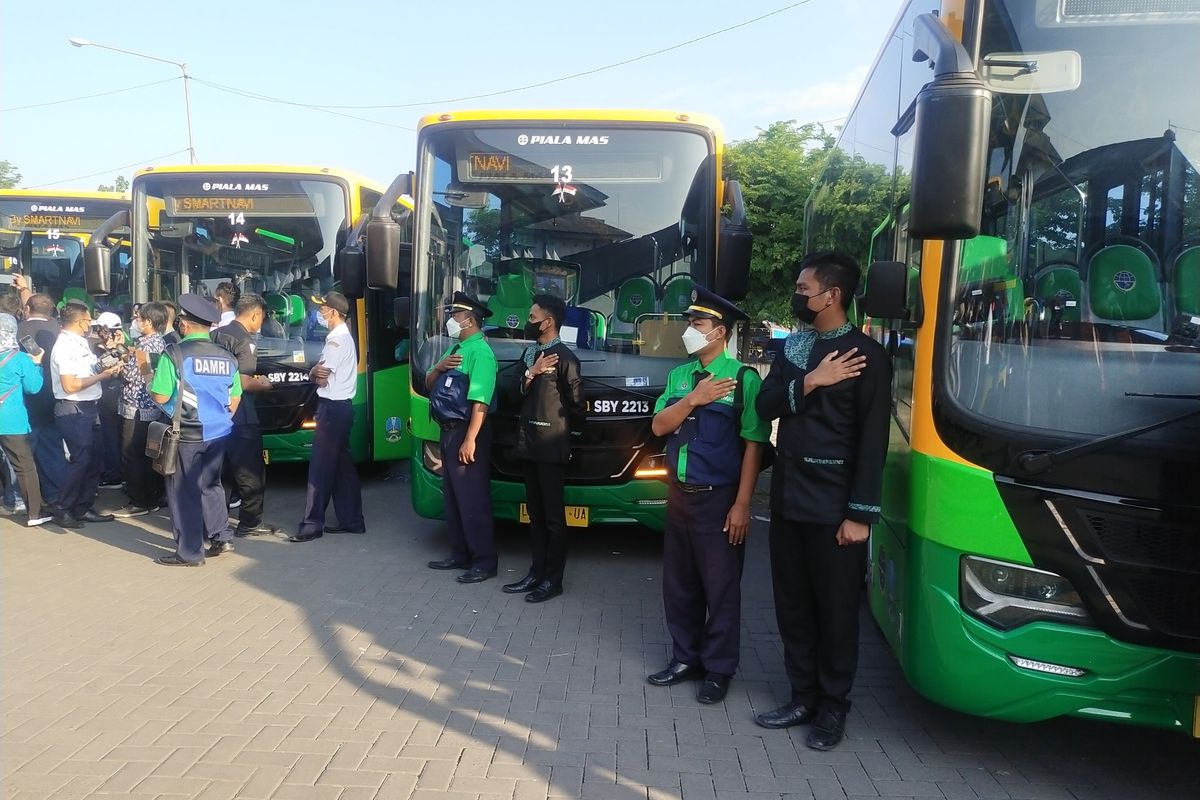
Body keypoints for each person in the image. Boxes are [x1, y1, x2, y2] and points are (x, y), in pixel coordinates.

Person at [752, 251, 889, 750]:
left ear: (832, 295)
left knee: (835, 612)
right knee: (793, 606)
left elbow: (873, 440)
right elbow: (764, 405)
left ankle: (833, 709)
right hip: (788, 499)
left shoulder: (867, 355)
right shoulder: (793, 348)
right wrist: (811, 381)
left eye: (803, 289)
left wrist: (861, 515)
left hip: (836, 509)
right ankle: (802, 697)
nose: (797, 296)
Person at [645, 286, 772, 705]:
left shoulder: (743, 379)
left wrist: (742, 505)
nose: (689, 330)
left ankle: (718, 669)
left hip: (719, 500)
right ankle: (685, 657)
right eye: (690, 323)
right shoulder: (680, 377)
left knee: (720, 588)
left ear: (719, 333)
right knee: (678, 585)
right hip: (680, 496)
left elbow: (754, 443)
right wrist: (694, 399)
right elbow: (660, 427)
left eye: (697, 324)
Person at [503, 293, 585, 603]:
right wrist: (532, 372)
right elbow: (513, 394)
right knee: (534, 515)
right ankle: (535, 573)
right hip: (528, 444)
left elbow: (577, 407)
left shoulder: (566, 358)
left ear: (548, 322)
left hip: (552, 447)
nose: (529, 322)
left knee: (553, 517)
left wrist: (569, 440)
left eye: (533, 317)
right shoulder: (529, 354)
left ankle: (553, 580)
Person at [148, 294, 242, 565]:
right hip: (220, 433)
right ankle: (221, 536)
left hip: (187, 434)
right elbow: (235, 395)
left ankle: (189, 553)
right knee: (211, 485)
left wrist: (150, 385)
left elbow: (161, 395)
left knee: (183, 490)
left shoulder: (175, 353)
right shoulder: (227, 357)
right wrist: (222, 419)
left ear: (185, 325)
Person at [425, 291, 499, 583]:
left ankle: (484, 561)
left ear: (469, 319)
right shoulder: (456, 349)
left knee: (473, 499)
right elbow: (430, 382)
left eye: (455, 315)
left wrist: (471, 440)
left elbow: (481, 400)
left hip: (468, 431)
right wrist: (439, 367)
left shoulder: (480, 352)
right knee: (454, 498)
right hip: (448, 433)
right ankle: (460, 554)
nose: (450, 320)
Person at [290, 291, 365, 542]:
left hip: (331, 409)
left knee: (320, 468)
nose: (319, 313)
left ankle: (312, 524)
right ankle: (353, 520)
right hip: (340, 408)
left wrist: (312, 372)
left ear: (333, 312)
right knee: (343, 468)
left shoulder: (336, 340)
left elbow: (322, 375)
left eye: (322, 309)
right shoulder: (343, 337)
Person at [211, 293, 279, 537]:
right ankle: (250, 523)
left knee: (223, 473)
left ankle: (217, 524)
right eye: (261, 317)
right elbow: (244, 381)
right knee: (250, 471)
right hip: (241, 415)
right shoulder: (245, 340)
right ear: (255, 314)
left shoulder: (215, 334)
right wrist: (265, 384)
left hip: (216, 414)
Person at [49, 302, 122, 528]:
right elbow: (70, 385)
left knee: (95, 460)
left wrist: (108, 365)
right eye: (90, 320)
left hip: (90, 406)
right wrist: (103, 376)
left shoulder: (82, 344)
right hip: (73, 407)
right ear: (81, 321)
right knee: (81, 460)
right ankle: (62, 508)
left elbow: (90, 371)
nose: (91, 324)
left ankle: (83, 506)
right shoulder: (64, 346)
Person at [113, 302, 168, 517]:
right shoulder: (160, 343)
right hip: (154, 408)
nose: (136, 321)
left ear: (149, 322)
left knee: (132, 454)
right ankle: (151, 496)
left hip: (136, 407)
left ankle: (139, 500)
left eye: (139, 318)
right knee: (149, 456)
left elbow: (134, 378)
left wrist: (119, 368)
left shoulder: (144, 347)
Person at [0, 313, 51, 526]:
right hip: (11, 420)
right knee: (24, 467)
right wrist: (37, 364)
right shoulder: (19, 358)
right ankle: (34, 514)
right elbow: (34, 387)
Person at [18, 293, 65, 506]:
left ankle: (23, 499)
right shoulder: (60, 331)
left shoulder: (18, 331)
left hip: (25, 401)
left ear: (27, 310)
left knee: (24, 455)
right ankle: (56, 495)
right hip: (55, 398)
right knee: (52, 450)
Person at [92, 311, 127, 489]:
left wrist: (113, 350)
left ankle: (113, 473)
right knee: (115, 435)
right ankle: (117, 471)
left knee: (111, 435)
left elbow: (97, 369)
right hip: (116, 394)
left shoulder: (120, 348)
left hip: (110, 395)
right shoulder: (122, 347)